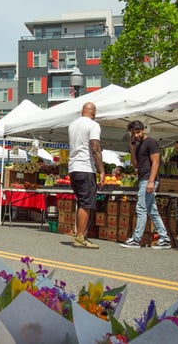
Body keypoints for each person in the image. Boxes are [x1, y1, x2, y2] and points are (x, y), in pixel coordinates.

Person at [120, 120, 171, 249]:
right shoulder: (138, 145)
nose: (136, 135)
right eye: (133, 133)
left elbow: (156, 162)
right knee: (152, 210)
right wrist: (132, 149)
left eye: (138, 132)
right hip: (143, 178)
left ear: (143, 130)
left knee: (141, 208)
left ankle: (136, 239)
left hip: (148, 179)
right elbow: (135, 164)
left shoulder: (151, 142)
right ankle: (164, 238)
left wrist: (151, 181)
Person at [68, 102, 106, 249]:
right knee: (86, 203)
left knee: (81, 202)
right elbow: (95, 148)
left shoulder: (73, 125)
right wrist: (101, 170)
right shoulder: (93, 125)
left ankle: (79, 234)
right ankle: (80, 237)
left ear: (81, 111)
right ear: (94, 113)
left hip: (73, 168)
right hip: (85, 167)